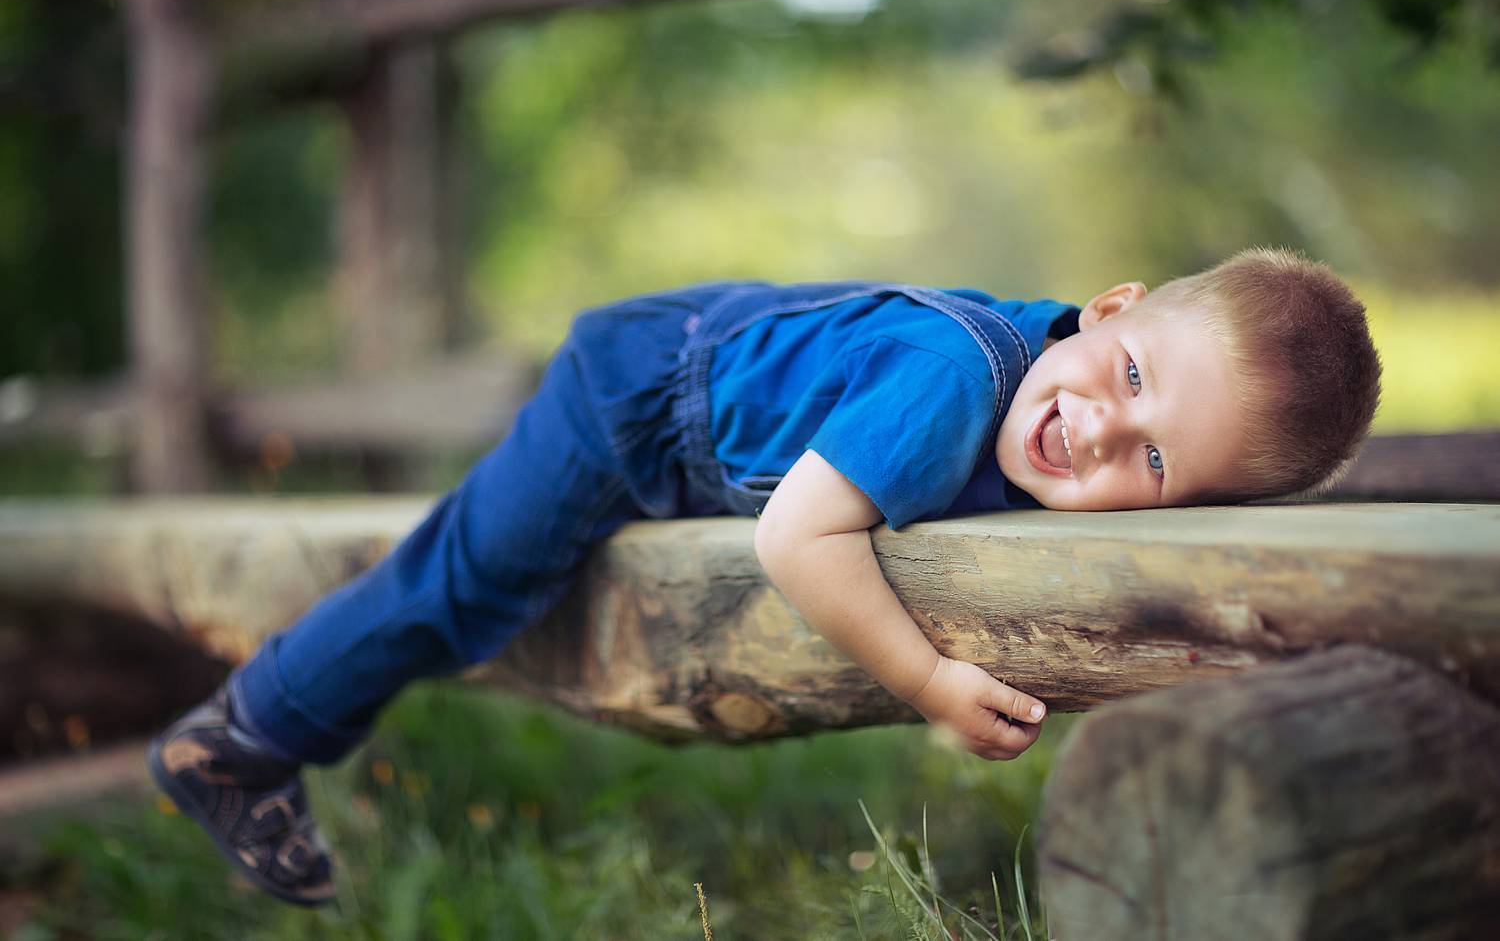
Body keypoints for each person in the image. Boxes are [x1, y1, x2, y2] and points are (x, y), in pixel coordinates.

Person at [147, 247, 1382, 905]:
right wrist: (929, 681)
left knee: (487, 587)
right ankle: (238, 740)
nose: (1103, 430)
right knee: (467, 587)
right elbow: (800, 541)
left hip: (706, 422)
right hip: (633, 401)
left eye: (1156, 460)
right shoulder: (956, 379)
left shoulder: (1051, 402)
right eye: (1130, 376)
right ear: (1106, 308)